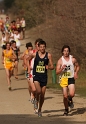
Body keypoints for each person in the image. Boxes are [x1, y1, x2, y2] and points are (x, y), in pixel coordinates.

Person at [26, 40, 54, 117]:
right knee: (38, 91)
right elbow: (27, 59)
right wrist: (28, 68)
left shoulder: (48, 55)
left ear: (45, 47)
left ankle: (39, 109)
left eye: (43, 47)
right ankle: (35, 100)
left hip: (44, 77)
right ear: (38, 47)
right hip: (36, 76)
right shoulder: (35, 54)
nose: (42, 48)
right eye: (40, 47)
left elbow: (52, 66)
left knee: (42, 95)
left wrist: (48, 67)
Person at [56, 45, 80, 116]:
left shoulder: (72, 59)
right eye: (64, 51)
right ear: (62, 52)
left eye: (67, 51)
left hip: (71, 78)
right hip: (63, 79)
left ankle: (70, 99)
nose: (66, 52)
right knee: (65, 96)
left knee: (72, 94)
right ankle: (66, 109)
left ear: (69, 52)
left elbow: (77, 66)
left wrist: (76, 72)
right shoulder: (60, 61)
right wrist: (61, 68)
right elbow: (57, 72)